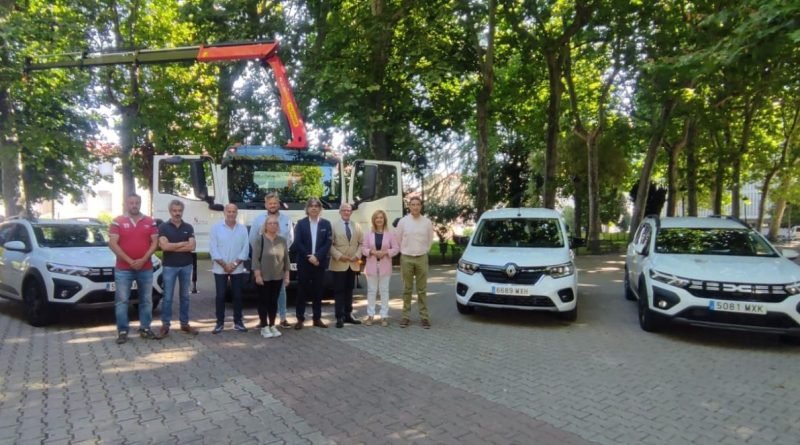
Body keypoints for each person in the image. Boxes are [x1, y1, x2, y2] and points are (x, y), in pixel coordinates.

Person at [108, 194, 160, 344]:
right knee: (122, 301)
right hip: (123, 268)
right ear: (126, 204)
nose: (134, 205)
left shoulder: (150, 221)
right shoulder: (117, 221)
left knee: (146, 300)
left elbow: (155, 243)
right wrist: (130, 261)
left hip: (146, 267)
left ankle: (145, 328)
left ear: (140, 203)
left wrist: (143, 259)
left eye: (137, 202)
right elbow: (112, 244)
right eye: (131, 203)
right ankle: (123, 331)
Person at [249, 192, 294, 328]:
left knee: (281, 291)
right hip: (264, 262)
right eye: (270, 203)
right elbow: (253, 239)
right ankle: (263, 321)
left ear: (278, 204)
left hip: (280, 261)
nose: (273, 205)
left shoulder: (287, 219)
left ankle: (283, 318)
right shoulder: (258, 220)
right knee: (264, 293)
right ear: (266, 205)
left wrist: (279, 251)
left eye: (275, 203)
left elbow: (290, 239)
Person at [157, 200, 198, 338]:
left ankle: (184, 323)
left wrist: (173, 246)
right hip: (169, 266)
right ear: (170, 211)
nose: (177, 213)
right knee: (167, 297)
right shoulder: (163, 227)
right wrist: (182, 244)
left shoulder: (188, 227)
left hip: (186, 265)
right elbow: (164, 247)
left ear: (182, 211)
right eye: (174, 210)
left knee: (185, 297)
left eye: (179, 210)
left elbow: (192, 246)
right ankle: (165, 325)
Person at [210, 204, 250, 334]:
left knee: (237, 296)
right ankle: (219, 323)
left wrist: (234, 264)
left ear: (237, 213)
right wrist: (224, 265)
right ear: (224, 212)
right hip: (219, 268)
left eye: (233, 212)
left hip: (237, 268)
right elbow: (213, 249)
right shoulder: (216, 228)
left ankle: (238, 322)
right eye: (229, 211)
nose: (231, 214)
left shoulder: (242, 229)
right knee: (220, 296)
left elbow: (245, 249)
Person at [292, 197, 332, 329]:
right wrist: (309, 257)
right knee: (301, 291)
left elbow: (328, 243)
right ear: (307, 209)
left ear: (320, 209)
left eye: (316, 206)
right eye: (311, 206)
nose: (314, 208)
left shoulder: (326, 224)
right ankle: (300, 319)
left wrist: (317, 257)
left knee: (318, 292)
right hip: (304, 262)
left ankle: (317, 318)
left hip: (319, 263)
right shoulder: (301, 223)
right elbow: (298, 242)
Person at [395, 196, 435, 329]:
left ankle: (424, 317)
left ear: (421, 206)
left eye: (418, 204)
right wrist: (404, 250)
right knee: (407, 289)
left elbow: (430, 239)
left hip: (421, 258)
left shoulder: (427, 222)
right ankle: (405, 316)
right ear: (409, 206)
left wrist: (425, 250)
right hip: (406, 258)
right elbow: (398, 238)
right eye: (413, 204)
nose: (415, 207)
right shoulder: (403, 222)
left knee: (422, 289)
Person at [251, 214, 291, 338]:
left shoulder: (282, 240)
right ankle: (264, 326)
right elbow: (255, 259)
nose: (273, 225)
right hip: (263, 277)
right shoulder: (260, 239)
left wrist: (287, 276)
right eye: (270, 223)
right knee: (263, 301)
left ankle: (272, 325)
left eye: (275, 223)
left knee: (273, 302)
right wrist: (257, 275)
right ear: (266, 226)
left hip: (277, 276)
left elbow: (286, 260)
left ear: (278, 226)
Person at [362, 209, 400, 327]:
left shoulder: (390, 234)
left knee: (384, 291)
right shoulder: (368, 234)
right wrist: (372, 252)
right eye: (377, 218)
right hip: (371, 266)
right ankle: (370, 315)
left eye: (381, 217)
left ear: (384, 220)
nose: (379, 219)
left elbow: (396, 249)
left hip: (385, 266)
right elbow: (363, 248)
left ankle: (384, 316)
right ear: (374, 220)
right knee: (371, 291)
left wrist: (386, 252)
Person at [329, 203, 364, 328]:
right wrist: (339, 256)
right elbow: (329, 245)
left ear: (351, 212)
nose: (346, 212)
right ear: (340, 212)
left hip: (353, 263)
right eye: (344, 210)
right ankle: (339, 317)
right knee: (339, 291)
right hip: (339, 263)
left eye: (348, 210)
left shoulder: (357, 226)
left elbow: (362, 243)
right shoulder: (333, 225)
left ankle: (349, 314)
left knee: (349, 290)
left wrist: (358, 255)